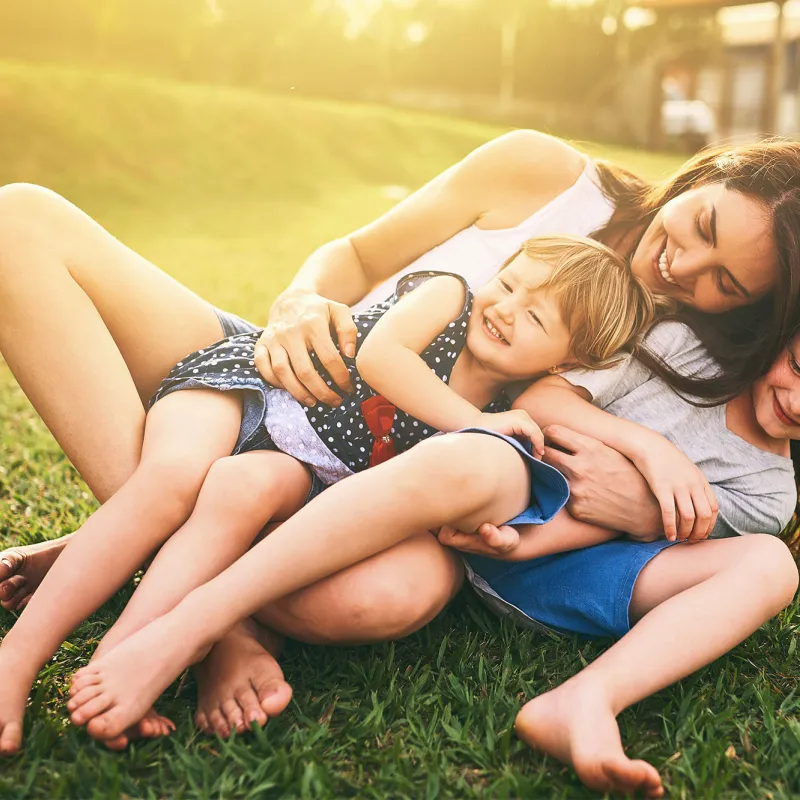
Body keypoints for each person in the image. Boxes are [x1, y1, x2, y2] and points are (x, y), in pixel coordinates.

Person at [0, 131, 799, 755]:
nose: (681, 265)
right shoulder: (544, 175)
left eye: (724, 282)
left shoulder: (677, 333)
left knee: (381, 599)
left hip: (384, 484)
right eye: (700, 224)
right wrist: (298, 302)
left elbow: (648, 462)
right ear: (707, 173)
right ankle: (213, 616)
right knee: (20, 220)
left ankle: (160, 570)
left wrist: (640, 506)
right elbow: (354, 257)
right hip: (314, 384)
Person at [64, 319, 800, 800]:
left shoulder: (771, 488)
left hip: (566, 566)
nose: (797, 398)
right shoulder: (685, 349)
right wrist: (651, 448)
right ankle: (199, 621)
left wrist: (526, 540)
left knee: (769, 564)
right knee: (343, 586)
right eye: (798, 364)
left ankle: (587, 700)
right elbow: (548, 397)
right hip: (484, 494)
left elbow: (664, 534)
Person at [0, 234, 659, 745]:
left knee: (240, 488)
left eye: (537, 317)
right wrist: (478, 421)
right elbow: (380, 359)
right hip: (249, 393)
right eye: (511, 283)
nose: (508, 309)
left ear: (565, 361)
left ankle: (122, 666)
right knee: (170, 482)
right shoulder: (450, 298)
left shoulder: (516, 407)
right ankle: (18, 660)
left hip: (297, 473)